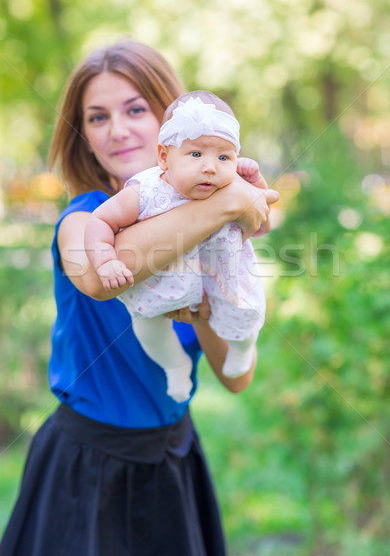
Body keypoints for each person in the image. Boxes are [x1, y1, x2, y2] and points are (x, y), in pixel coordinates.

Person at [0, 38, 279, 556]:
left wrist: (211, 299)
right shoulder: (84, 217)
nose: (118, 129)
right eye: (98, 117)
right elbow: (94, 274)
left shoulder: (213, 231)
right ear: (83, 135)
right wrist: (228, 204)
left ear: (171, 121)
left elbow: (237, 378)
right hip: (87, 469)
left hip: (174, 462)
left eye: (135, 109)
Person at [85, 90, 268, 404]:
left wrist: (255, 188)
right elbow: (99, 222)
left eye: (223, 157)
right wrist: (105, 261)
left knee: (246, 311)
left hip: (219, 280)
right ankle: (174, 365)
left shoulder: (229, 185)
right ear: (164, 158)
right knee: (148, 328)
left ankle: (242, 348)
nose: (211, 167)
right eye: (196, 154)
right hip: (158, 284)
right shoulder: (146, 191)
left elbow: (258, 225)